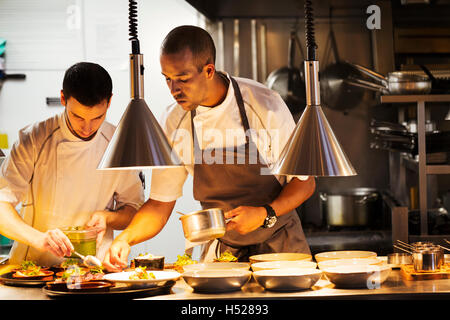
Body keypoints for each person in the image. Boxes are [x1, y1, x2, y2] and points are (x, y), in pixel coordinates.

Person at [104, 25, 315, 271]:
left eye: (182, 79)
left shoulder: (264, 105)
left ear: (208, 70)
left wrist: (265, 213)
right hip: (223, 253)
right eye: (167, 79)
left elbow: (304, 182)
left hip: (281, 245)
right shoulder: (174, 121)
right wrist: (124, 239)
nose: (173, 90)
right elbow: (160, 204)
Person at [0, 62, 144, 267]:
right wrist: (39, 239)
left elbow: (133, 211)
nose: (87, 128)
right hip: (35, 269)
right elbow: (1, 206)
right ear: (62, 99)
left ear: (109, 102)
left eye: (97, 118)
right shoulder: (33, 139)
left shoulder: (118, 143)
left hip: (95, 269)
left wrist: (108, 217)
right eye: (77, 116)